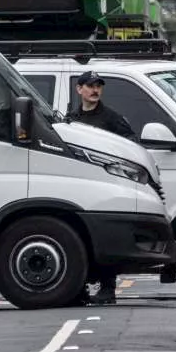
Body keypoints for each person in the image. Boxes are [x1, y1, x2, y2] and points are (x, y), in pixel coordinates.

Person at [66, 70, 134, 304]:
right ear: (79, 89)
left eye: (98, 86)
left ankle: (108, 288)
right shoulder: (72, 118)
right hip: (79, 186)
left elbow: (130, 145)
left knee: (104, 236)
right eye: (90, 85)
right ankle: (79, 288)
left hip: (104, 184)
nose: (95, 90)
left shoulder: (111, 118)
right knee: (79, 239)